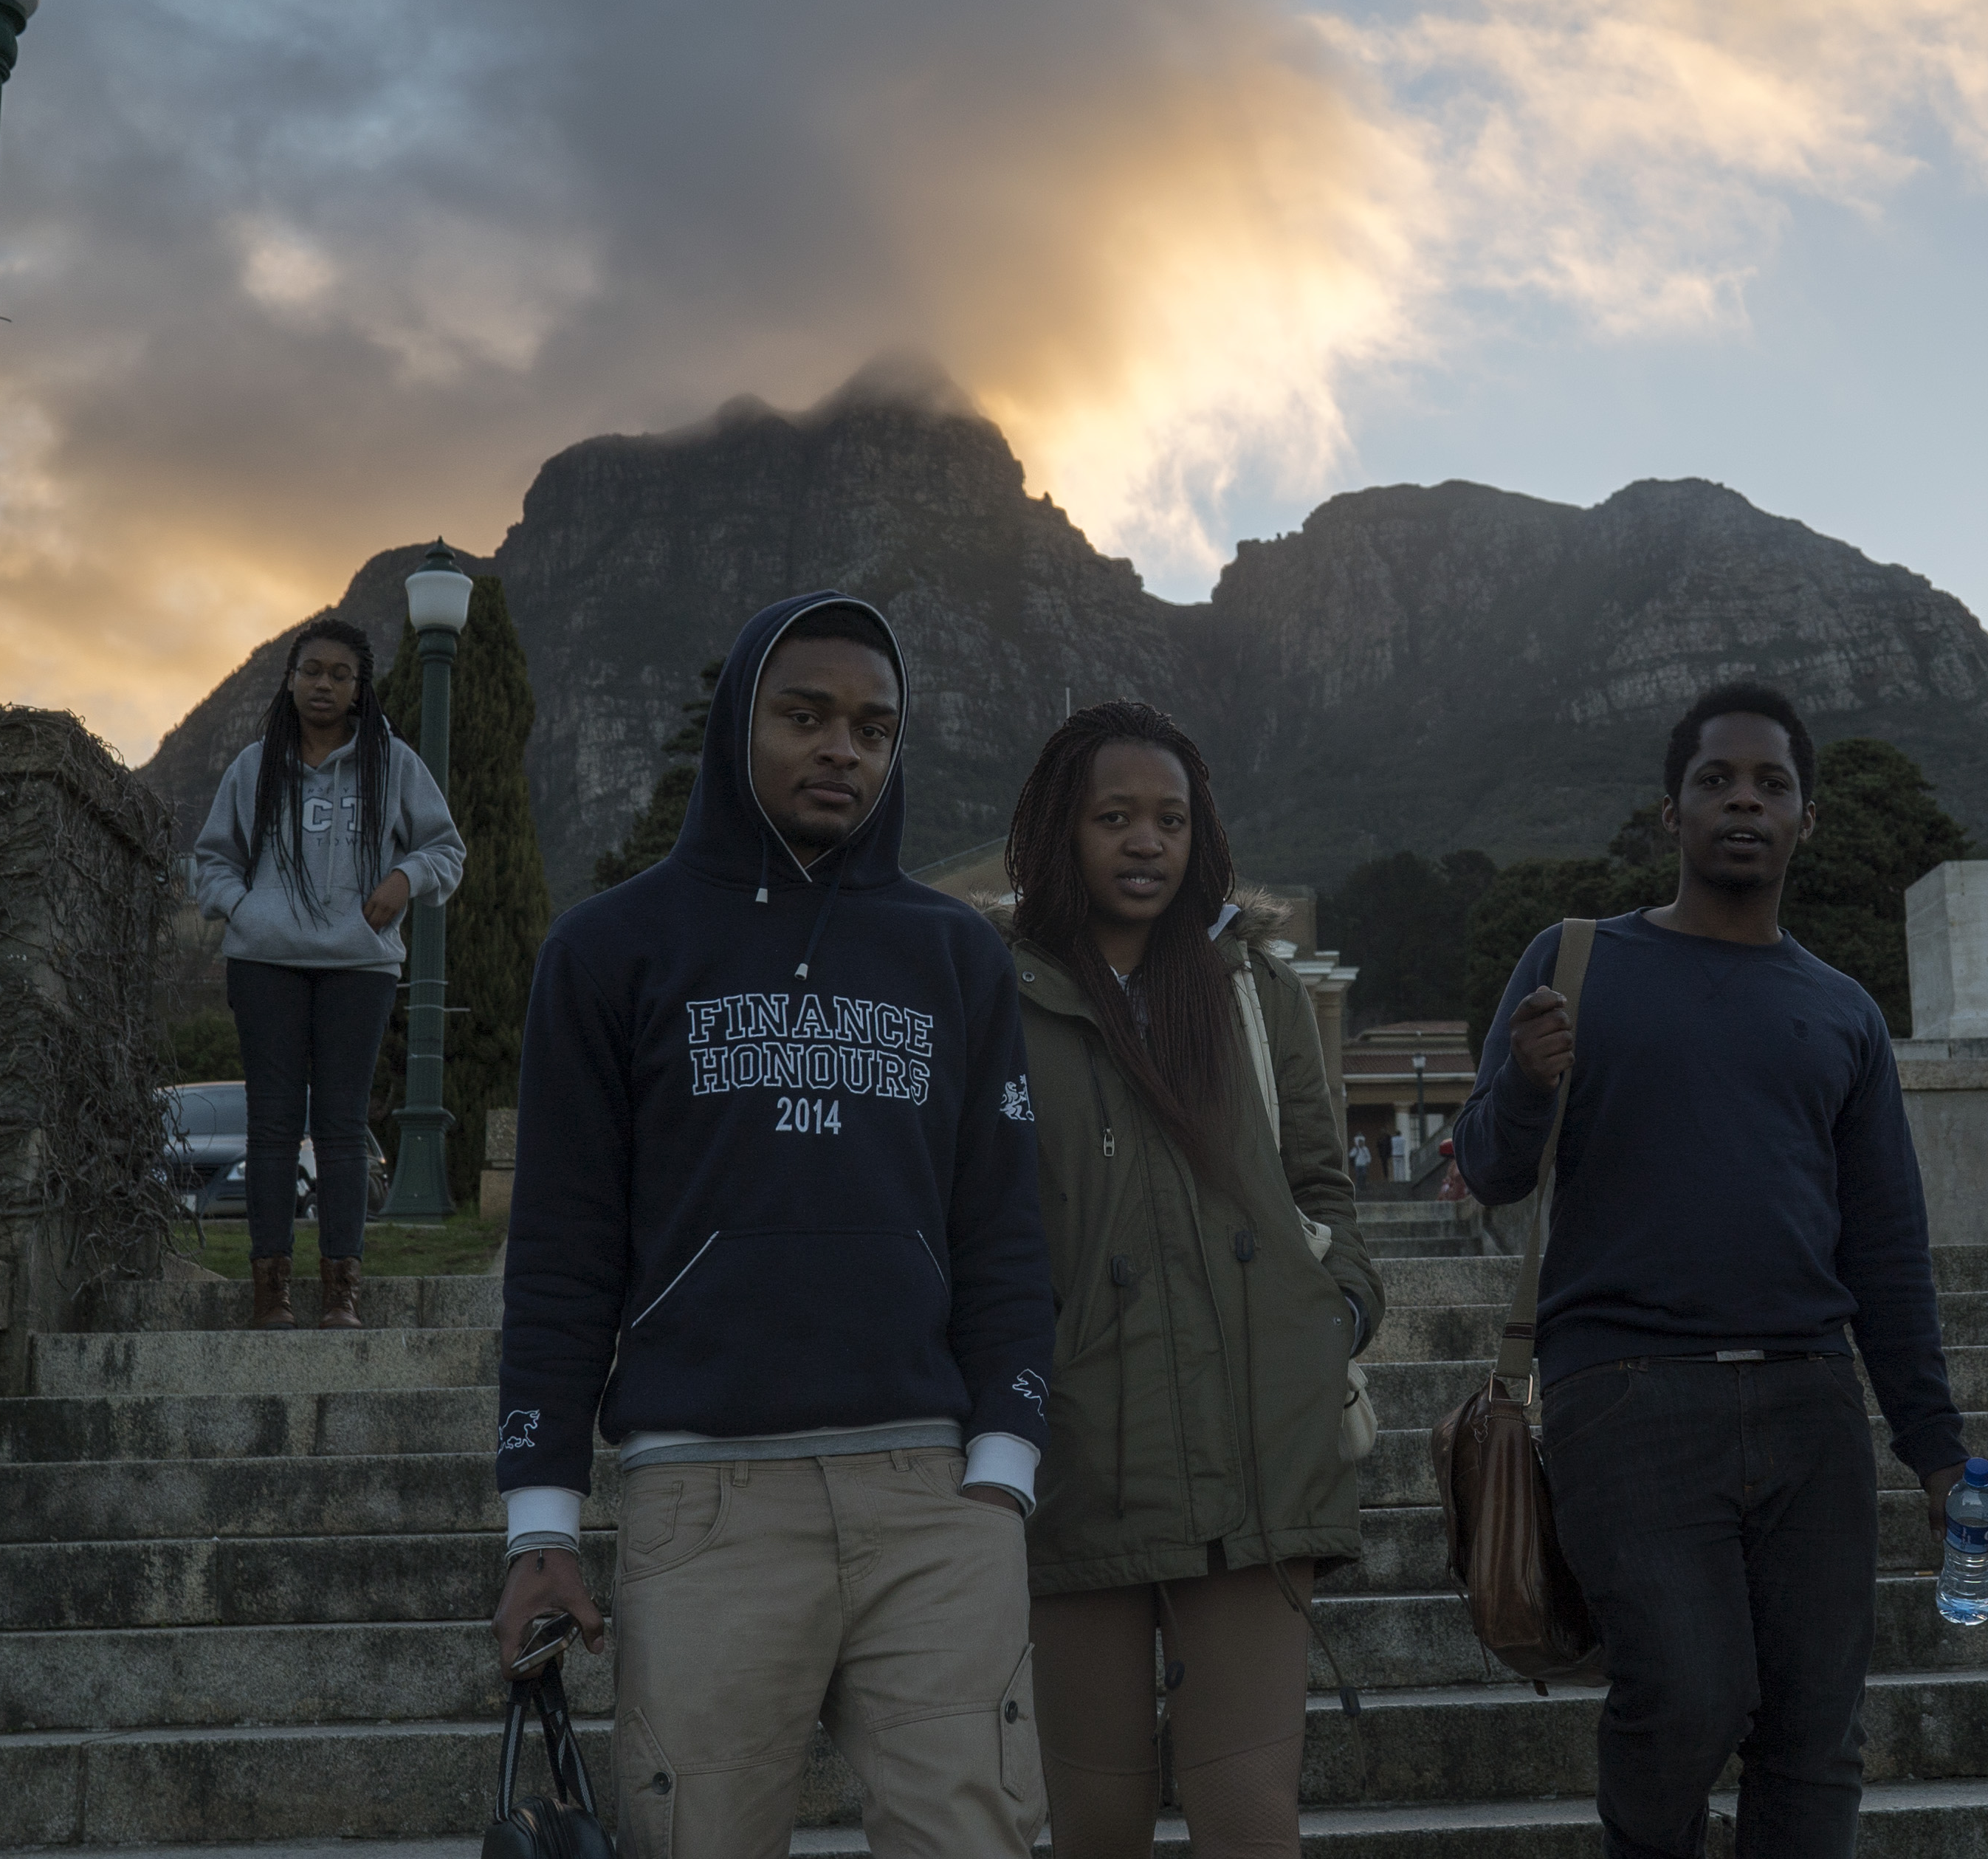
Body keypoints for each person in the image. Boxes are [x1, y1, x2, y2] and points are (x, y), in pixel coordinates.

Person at [490, 593, 1055, 1859]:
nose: (842, 749)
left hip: (933, 1495)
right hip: (705, 1494)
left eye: (874, 727)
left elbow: (1005, 1228)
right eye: (805, 717)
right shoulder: (609, 950)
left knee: (976, 1839)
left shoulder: (959, 956)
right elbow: (564, 1254)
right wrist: (542, 1525)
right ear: (740, 722)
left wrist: (1004, 1466)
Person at [1454, 681, 1988, 1859]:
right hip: (1627, 1395)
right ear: (1672, 813)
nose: (1744, 802)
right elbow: (1491, 1168)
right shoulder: (1577, 960)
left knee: (1816, 1734)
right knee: (1686, 1693)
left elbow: (1886, 1246)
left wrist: (1934, 1446)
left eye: (1771, 785)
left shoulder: (1842, 1011)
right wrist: (1525, 1084)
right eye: (1717, 781)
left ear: (1807, 819)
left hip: (1811, 1402)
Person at [997, 700, 1382, 1858]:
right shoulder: (999, 999)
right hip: (1084, 1455)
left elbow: (1324, 1192)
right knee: (1097, 1823)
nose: (1146, 842)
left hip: (1259, 1453)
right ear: (1060, 832)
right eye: (1114, 816)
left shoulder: (1257, 993)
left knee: (1251, 1817)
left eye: (1170, 819)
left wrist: (1335, 1317)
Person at [188, 616, 464, 1332]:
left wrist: (405, 877)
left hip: (358, 966)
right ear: (290, 678)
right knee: (273, 1124)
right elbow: (211, 861)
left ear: (359, 689)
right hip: (264, 963)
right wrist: (247, 909)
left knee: (342, 1126)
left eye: (341, 675)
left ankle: (342, 1293)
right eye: (312, 670)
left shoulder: (393, 765)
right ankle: (271, 1293)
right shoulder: (255, 766)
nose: (324, 684)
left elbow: (445, 850)